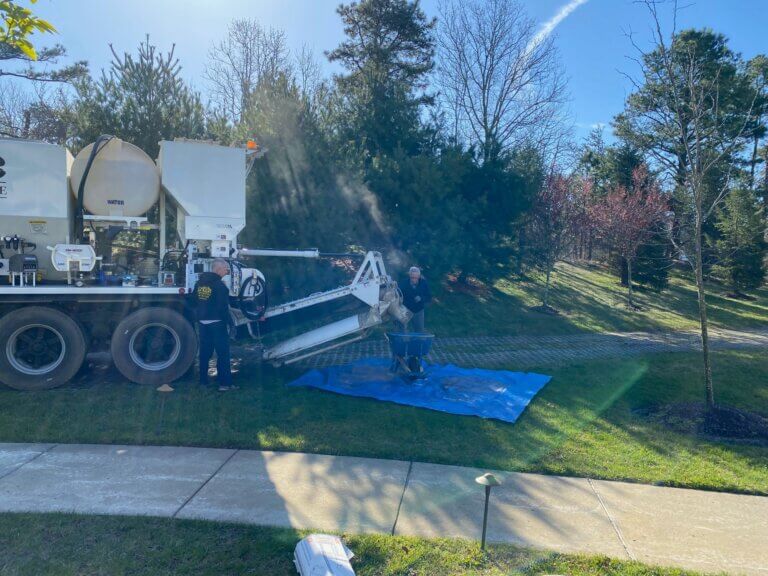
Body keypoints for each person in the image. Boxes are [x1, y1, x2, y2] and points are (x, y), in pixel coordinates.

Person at [192, 258, 235, 391]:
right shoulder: (220, 286)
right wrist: (230, 323)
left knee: (204, 353)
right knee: (223, 354)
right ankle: (224, 384)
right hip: (217, 324)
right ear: (218, 269)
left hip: (203, 324)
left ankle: (203, 382)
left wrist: (198, 316)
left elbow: (194, 301)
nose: (226, 272)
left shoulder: (199, 284)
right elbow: (223, 308)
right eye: (225, 269)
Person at [400, 266, 431, 333]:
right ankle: (403, 341)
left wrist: (421, 298)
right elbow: (399, 295)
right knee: (401, 329)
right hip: (406, 310)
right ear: (409, 275)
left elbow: (428, 297)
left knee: (419, 330)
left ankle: (418, 342)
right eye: (412, 278)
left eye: (415, 278)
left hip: (418, 311)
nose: (413, 280)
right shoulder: (404, 283)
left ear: (419, 277)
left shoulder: (424, 283)